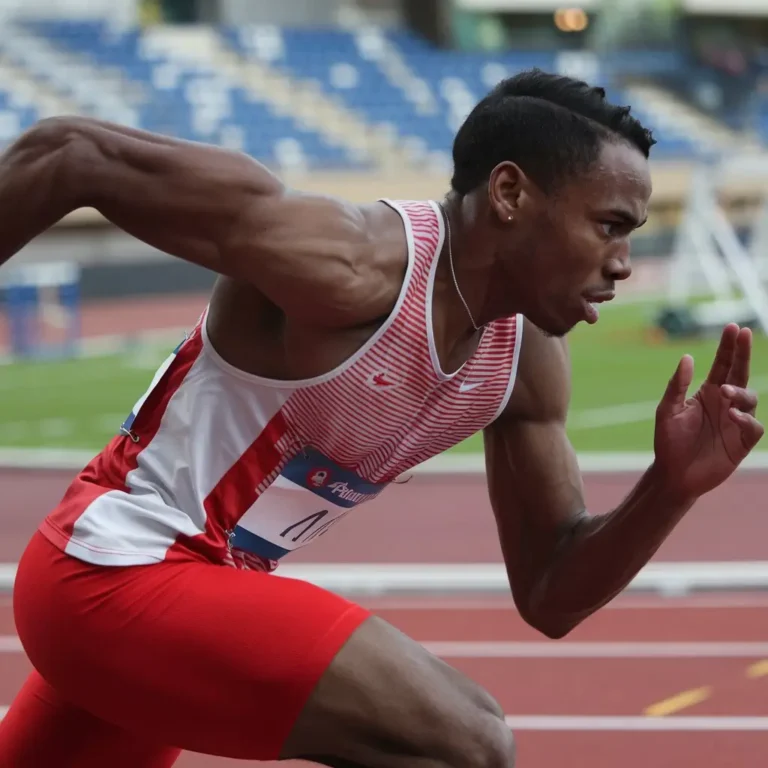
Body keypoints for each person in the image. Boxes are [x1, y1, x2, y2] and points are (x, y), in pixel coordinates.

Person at [0, 69, 762, 767]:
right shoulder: (349, 263)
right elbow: (69, 153)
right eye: (610, 225)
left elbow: (552, 595)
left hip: (179, 615)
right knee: (467, 744)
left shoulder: (524, 363)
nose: (624, 262)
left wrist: (670, 487)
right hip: (116, 571)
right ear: (509, 194)